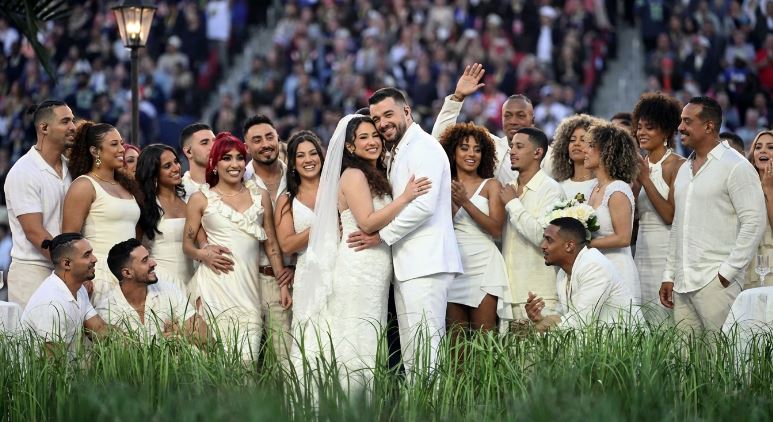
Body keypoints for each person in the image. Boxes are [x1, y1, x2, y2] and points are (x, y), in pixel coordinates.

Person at [293, 114, 430, 383]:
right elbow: (366, 222)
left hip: (375, 269)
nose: (372, 142)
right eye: (363, 137)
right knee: (356, 342)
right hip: (358, 267)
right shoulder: (354, 174)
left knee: (368, 339)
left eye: (375, 136)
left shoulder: (375, 173)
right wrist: (404, 198)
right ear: (350, 147)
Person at [356, 88, 462, 373]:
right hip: (409, 265)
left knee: (427, 351)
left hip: (425, 264)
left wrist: (381, 236)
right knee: (414, 353)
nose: (382, 123)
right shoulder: (399, 150)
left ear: (407, 111)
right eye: (377, 118)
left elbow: (423, 207)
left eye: (388, 114)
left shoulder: (423, 147)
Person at [660, 97, 766, 332]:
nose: (680, 128)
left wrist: (726, 273)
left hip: (716, 283)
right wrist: (669, 274)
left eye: (687, 121)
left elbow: (754, 222)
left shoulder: (736, 166)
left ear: (708, 126)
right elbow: (678, 225)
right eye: (680, 121)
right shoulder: (684, 170)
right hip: (682, 282)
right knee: (684, 364)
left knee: (719, 362)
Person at [183, 133, 291, 360]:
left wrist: (282, 283)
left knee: (247, 363)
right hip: (214, 288)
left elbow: (271, 244)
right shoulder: (200, 199)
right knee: (216, 366)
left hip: (248, 292)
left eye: (239, 158)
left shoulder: (260, 196)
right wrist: (204, 254)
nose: (235, 164)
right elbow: (187, 245)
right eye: (226, 158)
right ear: (215, 163)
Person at [438, 122, 511, 334]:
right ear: (452, 152)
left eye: (477, 149)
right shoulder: (443, 183)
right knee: (456, 343)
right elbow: (438, 228)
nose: (472, 154)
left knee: (484, 338)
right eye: (464, 147)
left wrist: (465, 202)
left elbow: (497, 230)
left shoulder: (491, 185)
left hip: (483, 265)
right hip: (452, 264)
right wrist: (452, 205)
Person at [4, 101, 75, 309]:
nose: (73, 126)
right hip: (33, 272)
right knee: (36, 341)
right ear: (44, 128)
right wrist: (70, 266)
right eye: (65, 121)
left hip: (65, 269)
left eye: (72, 120)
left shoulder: (71, 167)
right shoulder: (24, 172)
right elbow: (34, 232)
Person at [62, 121, 140, 307]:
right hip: (100, 275)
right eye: (114, 144)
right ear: (95, 151)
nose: (122, 149)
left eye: (121, 143)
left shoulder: (126, 185)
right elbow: (69, 238)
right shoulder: (84, 185)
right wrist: (81, 276)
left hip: (131, 273)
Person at [241, 115, 294, 358]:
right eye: (257, 140)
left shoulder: (296, 174)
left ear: (277, 138)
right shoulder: (237, 178)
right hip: (248, 281)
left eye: (269, 137)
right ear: (247, 146)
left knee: (287, 358)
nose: (265, 144)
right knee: (247, 359)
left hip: (293, 279)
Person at [500, 127, 565, 325]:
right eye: (511, 146)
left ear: (538, 153)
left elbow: (543, 237)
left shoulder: (551, 189)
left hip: (539, 293)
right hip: (508, 293)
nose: (512, 151)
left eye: (519, 146)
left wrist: (513, 204)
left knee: (538, 356)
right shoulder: (508, 188)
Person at [431, 64, 536, 184]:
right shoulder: (491, 145)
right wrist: (458, 97)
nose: (513, 121)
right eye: (507, 116)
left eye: (520, 115)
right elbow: (439, 139)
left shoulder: (548, 155)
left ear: (532, 121)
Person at [524, 218, 636, 331]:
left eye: (549, 240)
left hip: (623, 343)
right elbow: (565, 316)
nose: (543, 246)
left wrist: (540, 330)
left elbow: (582, 320)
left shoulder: (594, 266)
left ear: (569, 246)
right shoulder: (563, 273)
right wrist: (541, 318)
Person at [631, 93, 685, 323]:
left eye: (649, 127)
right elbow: (629, 216)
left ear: (667, 131)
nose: (641, 132)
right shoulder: (638, 166)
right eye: (639, 127)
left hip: (666, 254)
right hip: (640, 253)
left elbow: (670, 215)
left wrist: (645, 180)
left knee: (666, 324)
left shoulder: (679, 165)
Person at [98, 239, 206, 342]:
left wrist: (180, 332)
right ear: (127, 273)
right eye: (145, 260)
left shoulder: (169, 290)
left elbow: (207, 338)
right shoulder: (107, 310)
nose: (153, 263)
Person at [21, 233, 108, 356]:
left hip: (69, 371)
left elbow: (99, 329)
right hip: (50, 373)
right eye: (87, 255)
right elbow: (50, 366)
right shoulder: (52, 302)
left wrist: (134, 346)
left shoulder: (79, 289)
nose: (94, 259)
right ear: (67, 263)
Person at [584, 123, 641, 302]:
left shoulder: (617, 189)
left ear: (607, 152)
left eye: (591, 145)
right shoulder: (593, 188)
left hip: (617, 268)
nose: (585, 150)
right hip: (595, 268)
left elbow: (623, 238)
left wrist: (585, 244)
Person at [135, 144, 198, 301]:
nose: (176, 168)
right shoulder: (144, 205)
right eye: (167, 166)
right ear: (154, 172)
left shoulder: (190, 199)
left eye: (176, 162)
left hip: (194, 279)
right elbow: (136, 246)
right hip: (162, 281)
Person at [550, 114, 601, 200]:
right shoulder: (559, 186)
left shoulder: (601, 185)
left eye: (583, 139)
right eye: (572, 140)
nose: (576, 143)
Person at [746, 130, 773, 288]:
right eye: (758, 147)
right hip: (748, 266)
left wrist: (769, 190)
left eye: (770, 147)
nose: (763, 150)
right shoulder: (745, 185)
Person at [179, 123, 215, 202]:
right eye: (205, 143)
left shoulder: (231, 184)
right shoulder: (178, 193)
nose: (213, 147)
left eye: (214, 142)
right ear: (189, 152)